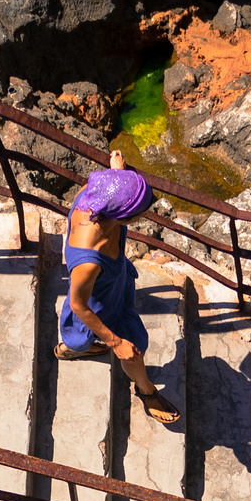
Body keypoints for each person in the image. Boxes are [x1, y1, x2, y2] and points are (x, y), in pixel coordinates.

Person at [57, 150, 180, 425]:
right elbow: (79, 304)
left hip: (113, 282)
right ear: (121, 217)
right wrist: (115, 342)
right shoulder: (88, 260)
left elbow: (111, 190)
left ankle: (78, 346)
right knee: (133, 347)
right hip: (98, 304)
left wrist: (119, 175)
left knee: (83, 340)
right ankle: (147, 393)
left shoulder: (94, 194)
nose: (144, 216)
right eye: (138, 214)